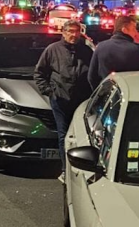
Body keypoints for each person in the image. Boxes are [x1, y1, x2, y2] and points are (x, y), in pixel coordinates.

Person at [34, 21, 94, 179]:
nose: (74, 35)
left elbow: (93, 73)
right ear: (64, 32)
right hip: (60, 99)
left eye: (77, 31)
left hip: (81, 101)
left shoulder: (86, 51)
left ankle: (79, 168)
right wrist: (49, 92)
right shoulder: (53, 50)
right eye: (70, 31)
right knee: (63, 135)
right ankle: (65, 169)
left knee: (81, 135)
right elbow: (39, 73)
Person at [88, 16, 139, 90]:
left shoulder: (100, 47)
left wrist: (100, 92)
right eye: (133, 29)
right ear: (124, 30)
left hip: (105, 92)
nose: (135, 32)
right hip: (126, 92)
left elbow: (91, 76)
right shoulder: (133, 50)